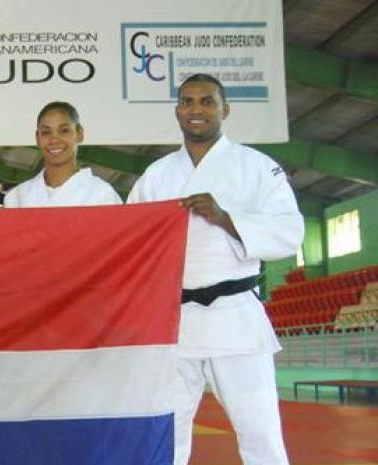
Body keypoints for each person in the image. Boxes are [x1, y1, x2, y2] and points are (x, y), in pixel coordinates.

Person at [127, 74, 303, 465]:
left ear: (226, 109)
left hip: (235, 316)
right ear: (177, 111)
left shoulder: (257, 167)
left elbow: (290, 232)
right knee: (168, 430)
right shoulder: (156, 175)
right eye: (188, 102)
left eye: (207, 102)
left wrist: (226, 218)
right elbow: (130, 237)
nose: (197, 110)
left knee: (259, 429)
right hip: (175, 319)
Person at [3, 101, 121, 207]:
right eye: (46, 132)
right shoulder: (17, 197)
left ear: (79, 134)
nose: (54, 140)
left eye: (64, 131)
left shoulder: (102, 194)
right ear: (37, 138)